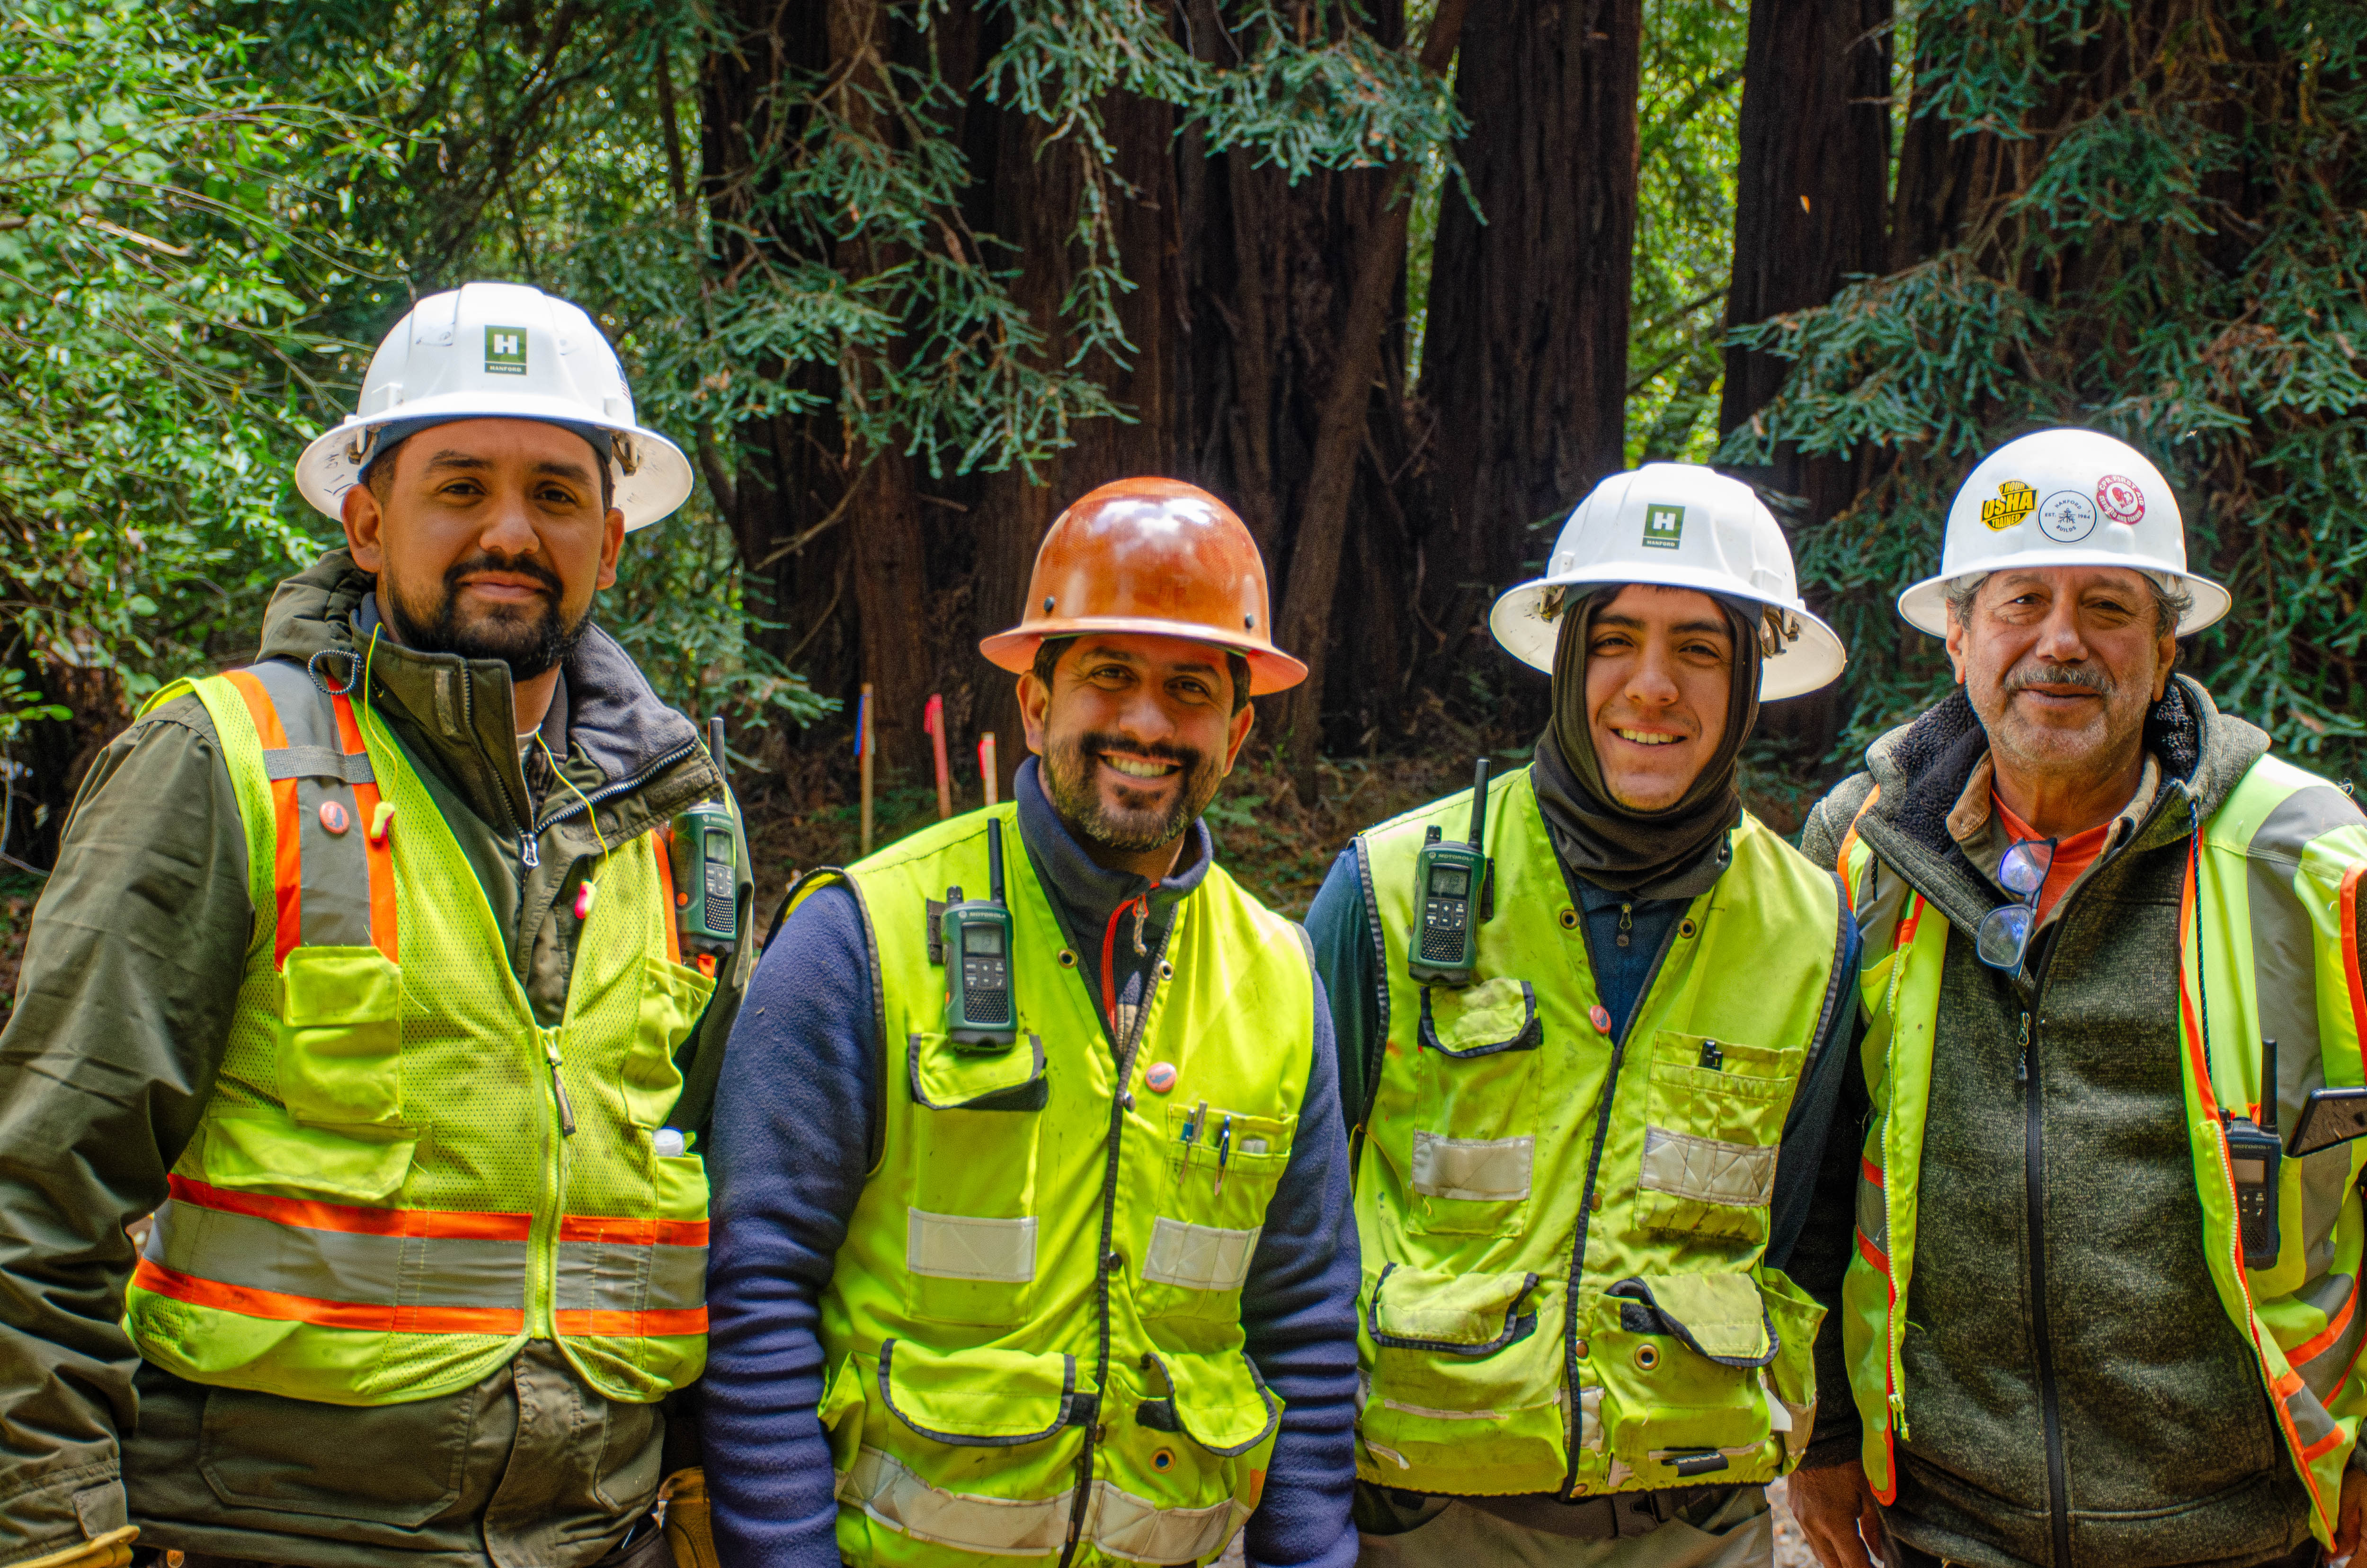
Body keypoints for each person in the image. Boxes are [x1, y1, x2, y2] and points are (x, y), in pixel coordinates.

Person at [0, 281, 749, 1568]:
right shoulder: (223, 766)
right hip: (276, 1536)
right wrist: (60, 1533)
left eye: (557, 495)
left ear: (611, 544)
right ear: (366, 521)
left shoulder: (680, 819)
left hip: (602, 1539)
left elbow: (709, 1196)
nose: (510, 531)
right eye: (459, 486)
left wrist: (695, 1487)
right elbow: (38, 1198)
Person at [700, 479, 1361, 1568]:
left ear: (1237, 733)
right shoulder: (862, 939)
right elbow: (758, 1290)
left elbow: (1304, 1323)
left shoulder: (1283, 983)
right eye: (1109, 676)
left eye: (1188, 689)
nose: (1146, 723)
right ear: (1034, 702)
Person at [1787, 428, 2367, 1568]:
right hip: (1942, 1530)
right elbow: (1807, 1175)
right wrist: (1826, 1433)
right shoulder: (1861, 852)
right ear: (1958, 638)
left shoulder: (2311, 862)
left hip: (2242, 1531)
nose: (2060, 644)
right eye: (2019, 604)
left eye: (2106, 606)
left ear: (2164, 650)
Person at [1304, 463, 1862, 1565]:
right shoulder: (1390, 888)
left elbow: (1807, 1229)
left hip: (1693, 1527)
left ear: (1750, 674)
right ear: (1566, 661)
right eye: (1615, 641)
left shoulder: (1811, 927)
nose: (1650, 687)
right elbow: (1295, 1215)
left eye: (1699, 647)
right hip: (1418, 1521)